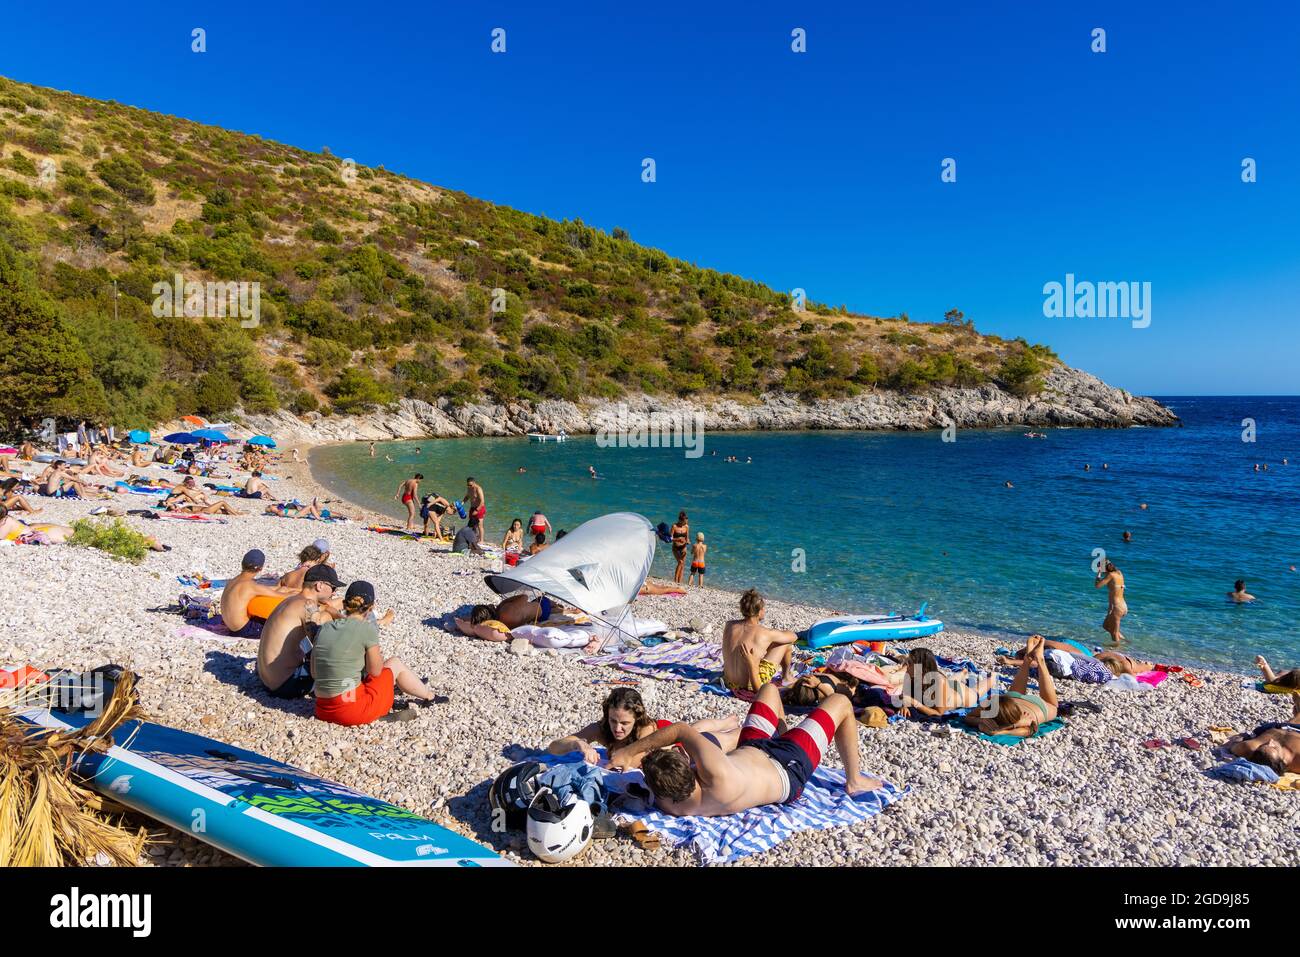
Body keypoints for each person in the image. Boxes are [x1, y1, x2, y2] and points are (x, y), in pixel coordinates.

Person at [609, 681, 883, 814]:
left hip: (755, 747)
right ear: (691, 772)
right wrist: (630, 752)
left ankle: (785, 732)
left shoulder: (669, 803)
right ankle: (854, 780)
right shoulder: (716, 773)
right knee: (840, 702)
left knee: (769, 690)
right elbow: (681, 729)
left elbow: (637, 788)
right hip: (788, 766)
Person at [312, 581, 436, 725]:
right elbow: (375, 671)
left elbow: (314, 672)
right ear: (371, 607)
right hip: (350, 711)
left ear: (344, 604)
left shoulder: (325, 628)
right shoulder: (366, 630)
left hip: (322, 709)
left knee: (356, 680)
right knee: (394, 663)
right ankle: (430, 697)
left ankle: (384, 705)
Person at [547, 687, 741, 764]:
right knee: (694, 727)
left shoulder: (644, 730)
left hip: (668, 738)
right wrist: (578, 743)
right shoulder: (602, 728)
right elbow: (554, 748)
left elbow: (632, 762)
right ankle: (726, 721)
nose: (617, 728)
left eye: (625, 723)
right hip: (665, 730)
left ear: (637, 719)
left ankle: (733, 726)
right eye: (613, 720)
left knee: (698, 732)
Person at [258, 564, 343, 699]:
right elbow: (323, 649)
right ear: (319, 585)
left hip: (266, 680)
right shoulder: (307, 606)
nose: (334, 593)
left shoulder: (290, 601)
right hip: (286, 685)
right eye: (333, 588)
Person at [963, 635, 1058, 738]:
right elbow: (1030, 731)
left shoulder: (1020, 717)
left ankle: (1039, 661)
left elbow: (1029, 730)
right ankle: (1030, 660)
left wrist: (1001, 730)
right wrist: (1006, 727)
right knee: (1052, 706)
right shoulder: (994, 702)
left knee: (1053, 706)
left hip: (1034, 706)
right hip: (1011, 700)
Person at [722, 589, 796, 693]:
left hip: (728, 681)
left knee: (770, 644)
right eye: (763, 609)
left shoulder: (729, 625)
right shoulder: (765, 633)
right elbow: (793, 637)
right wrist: (776, 634)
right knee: (786, 644)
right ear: (759, 611)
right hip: (750, 684)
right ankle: (786, 677)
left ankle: (786, 677)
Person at [896, 648, 997, 717]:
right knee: (950, 682)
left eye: (909, 663)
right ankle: (962, 673)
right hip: (947, 686)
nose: (905, 665)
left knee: (975, 692)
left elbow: (939, 713)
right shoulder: (911, 675)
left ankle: (992, 677)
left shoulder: (939, 682)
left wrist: (914, 702)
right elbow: (905, 696)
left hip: (961, 696)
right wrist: (904, 705)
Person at [219, 550, 297, 637]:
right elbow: (282, 596)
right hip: (243, 630)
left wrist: (284, 588)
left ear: (242, 564)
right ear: (261, 568)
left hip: (231, 629)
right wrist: (301, 593)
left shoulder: (232, 582)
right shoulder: (250, 586)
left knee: (282, 590)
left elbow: (266, 589)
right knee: (281, 624)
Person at [1094, 560, 1127, 643]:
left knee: (1114, 633)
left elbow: (1097, 586)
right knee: (1106, 626)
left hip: (1117, 607)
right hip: (1122, 606)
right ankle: (1126, 642)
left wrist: (1098, 574)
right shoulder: (1119, 573)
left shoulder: (1110, 575)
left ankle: (1117, 649)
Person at [670, 511, 690, 584]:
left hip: (684, 547)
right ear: (680, 520)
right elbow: (670, 538)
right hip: (675, 548)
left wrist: (688, 541)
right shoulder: (674, 526)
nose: (685, 523)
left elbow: (687, 538)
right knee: (680, 562)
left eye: (685, 522)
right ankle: (675, 579)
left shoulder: (687, 527)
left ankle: (679, 581)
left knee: (682, 565)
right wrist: (677, 539)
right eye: (683, 522)